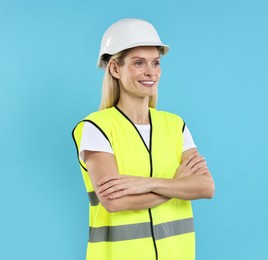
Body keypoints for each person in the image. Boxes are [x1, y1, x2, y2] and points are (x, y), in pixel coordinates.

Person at [72, 18, 215, 260]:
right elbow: (114, 202)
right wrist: (176, 185)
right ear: (115, 69)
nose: (151, 72)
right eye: (139, 63)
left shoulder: (175, 125)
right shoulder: (96, 128)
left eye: (156, 63)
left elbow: (205, 186)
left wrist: (147, 183)